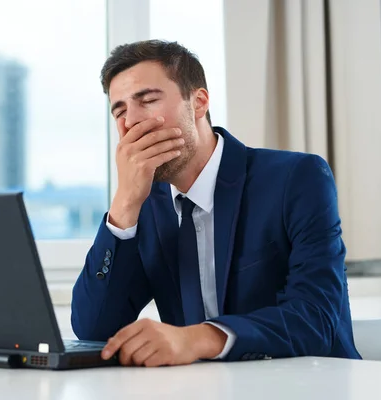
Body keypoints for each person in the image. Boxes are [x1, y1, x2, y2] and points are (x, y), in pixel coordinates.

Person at [71, 39, 361, 367]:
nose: (131, 122)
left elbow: (316, 319)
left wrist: (199, 338)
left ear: (198, 103)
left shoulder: (295, 179)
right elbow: (93, 330)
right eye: (119, 111)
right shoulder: (145, 205)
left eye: (148, 100)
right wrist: (123, 206)